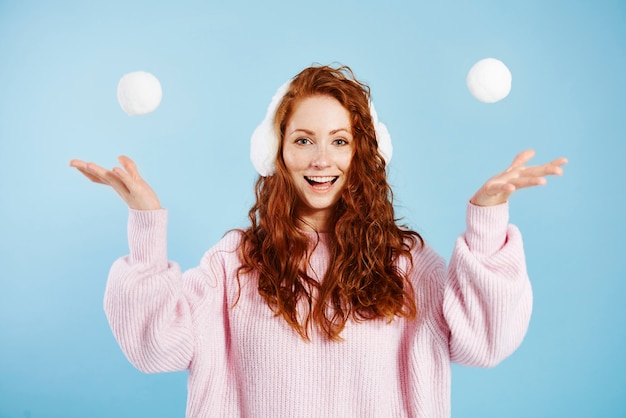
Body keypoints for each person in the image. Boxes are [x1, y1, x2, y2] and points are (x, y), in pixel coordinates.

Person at [70, 64, 567, 417]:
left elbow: (485, 341)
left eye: (340, 140)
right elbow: (156, 348)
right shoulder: (234, 263)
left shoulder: (405, 264)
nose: (321, 159)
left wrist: (486, 220)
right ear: (278, 153)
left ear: (362, 156)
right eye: (303, 139)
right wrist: (146, 223)